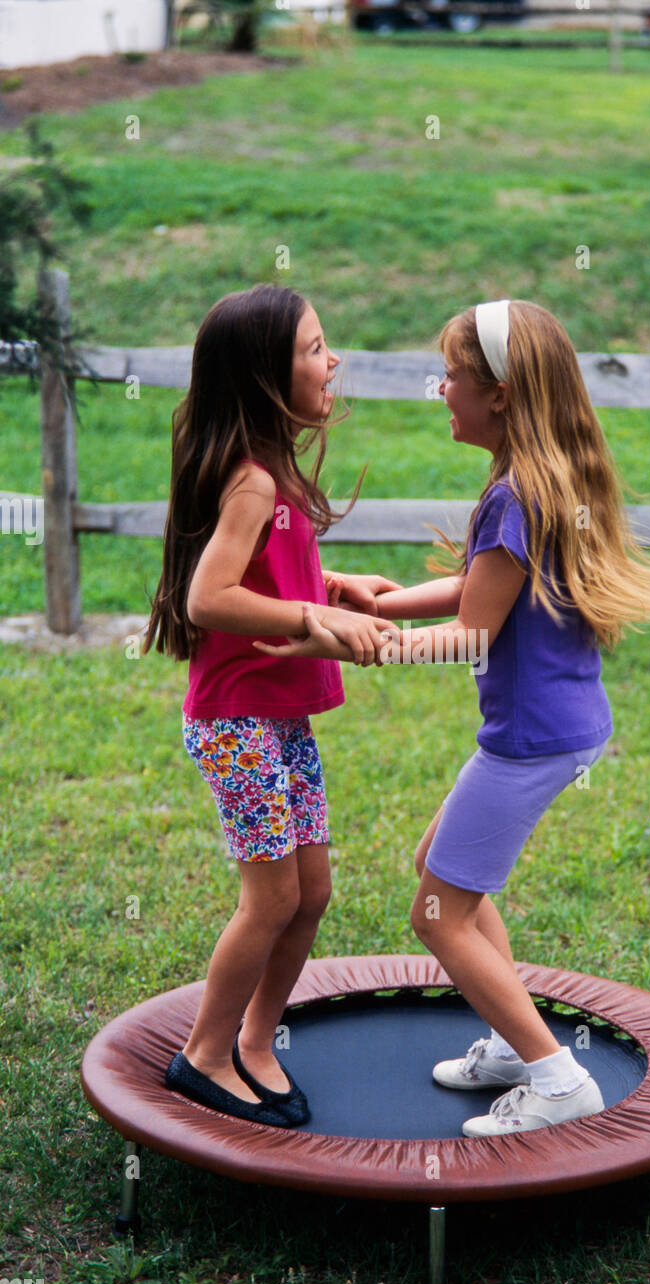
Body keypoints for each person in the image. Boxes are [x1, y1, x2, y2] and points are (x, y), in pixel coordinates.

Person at [255, 298, 650, 1137]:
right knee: (442, 871)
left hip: (530, 742)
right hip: (553, 729)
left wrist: (351, 642)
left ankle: (555, 1077)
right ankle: (509, 1037)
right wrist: (379, 593)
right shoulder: (535, 482)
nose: (440, 391)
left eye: (451, 377)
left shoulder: (515, 495)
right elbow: (481, 588)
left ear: (499, 394)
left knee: (434, 913)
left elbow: (471, 634)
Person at [141, 284, 400, 1127]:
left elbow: (268, 574)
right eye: (316, 349)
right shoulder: (251, 480)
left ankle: (257, 1041)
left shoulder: (272, 470)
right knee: (272, 899)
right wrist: (311, 617)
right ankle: (203, 1056)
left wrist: (333, 585)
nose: (334, 361)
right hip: (234, 722)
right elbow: (210, 597)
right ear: (264, 375)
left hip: (274, 719)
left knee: (312, 890)